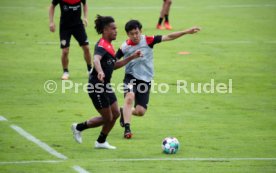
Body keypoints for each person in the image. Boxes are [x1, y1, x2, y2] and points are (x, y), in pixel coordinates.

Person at [116, 20, 200, 139]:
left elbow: (169, 36)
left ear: (141, 31)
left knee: (140, 111)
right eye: (131, 34)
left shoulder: (148, 40)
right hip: (131, 77)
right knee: (129, 97)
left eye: (136, 33)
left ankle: (124, 110)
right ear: (127, 34)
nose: (135, 36)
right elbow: (113, 61)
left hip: (145, 79)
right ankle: (127, 129)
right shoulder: (125, 47)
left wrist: (186, 31)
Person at [71, 15, 142, 149]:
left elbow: (114, 65)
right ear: (105, 30)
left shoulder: (109, 46)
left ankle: (101, 141)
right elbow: (96, 59)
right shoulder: (102, 45)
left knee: (115, 113)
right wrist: (99, 71)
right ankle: (78, 127)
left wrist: (132, 57)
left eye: (116, 28)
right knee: (107, 117)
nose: (116, 31)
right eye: (113, 28)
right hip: (96, 86)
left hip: (105, 86)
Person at [49, 0, 92, 80]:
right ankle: (65, 72)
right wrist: (51, 22)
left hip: (78, 26)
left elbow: (85, 4)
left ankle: (90, 70)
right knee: (65, 51)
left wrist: (85, 17)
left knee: (86, 48)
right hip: (65, 27)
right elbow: (52, 6)